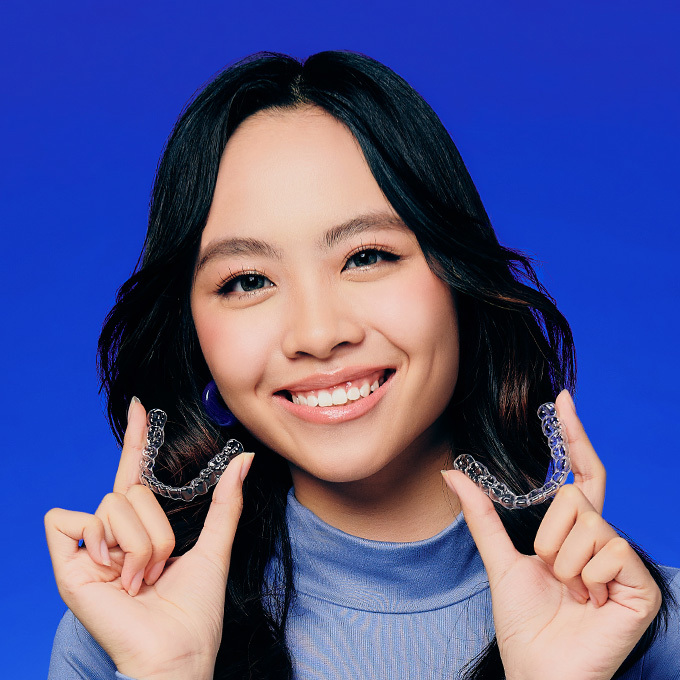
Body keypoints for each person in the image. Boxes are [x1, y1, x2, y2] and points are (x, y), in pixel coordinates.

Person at [45, 51, 679, 680]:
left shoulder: (645, 630)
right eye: (246, 281)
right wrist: (169, 671)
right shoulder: (121, 633)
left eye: (367, 256)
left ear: (459, 279)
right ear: (195, 337)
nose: (318, 334)